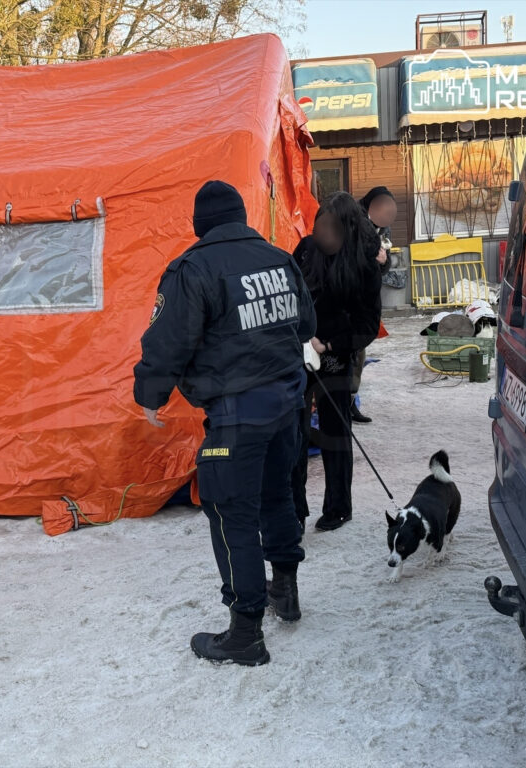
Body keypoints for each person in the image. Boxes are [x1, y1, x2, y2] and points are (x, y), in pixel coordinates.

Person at [133, 180, 316, 666]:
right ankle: (286, 590)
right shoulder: (280, 259)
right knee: (277, 496)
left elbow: (168, 338)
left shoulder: (192, 269)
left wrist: (150, 393)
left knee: (231, 514)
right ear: (241, 217)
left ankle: (244, 632)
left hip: (237, 417)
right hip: (287, 405)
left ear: (201, 225)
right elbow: (306, 327)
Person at [291, 192, 382, 531]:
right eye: (320, 226)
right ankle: (294, 511)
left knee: (335, 433)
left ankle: (338, 506)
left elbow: (367, 324)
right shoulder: (304, 250)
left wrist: (328, 344)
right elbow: (287, 295)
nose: (323, 233)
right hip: (298, 353)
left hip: (335, 356)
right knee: (294, 434)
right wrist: (299, 334)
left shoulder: (364, 265)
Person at [349, 186, 399, 423]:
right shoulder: (353, 219)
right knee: (346, 352)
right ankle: (339, 406)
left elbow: (384, 261)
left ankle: (349, 402)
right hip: (347, 296)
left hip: (365, 299)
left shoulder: (382, 225)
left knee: (358, 352)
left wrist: (383, 261)